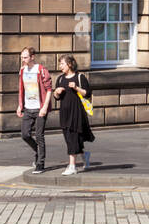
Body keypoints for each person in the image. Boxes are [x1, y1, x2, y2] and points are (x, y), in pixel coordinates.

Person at [52, 54, 94, 176]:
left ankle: (72, 166)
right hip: (64, 113)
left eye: (62, 64)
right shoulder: (60, 79)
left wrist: (76, 88)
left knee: (73, 138)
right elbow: (57, 97)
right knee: (68, 138)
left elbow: (87, 93)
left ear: (69, 64)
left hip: (77, 112)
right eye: (60, 64)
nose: (60, 66)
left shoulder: (80, 77)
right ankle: (84, 155)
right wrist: (57, 93)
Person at [17, 46, 52, 174]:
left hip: (39, 108)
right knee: (25, 135)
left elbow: (49, 89)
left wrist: (44, 107)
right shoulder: (22, 70)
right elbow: (22, 89)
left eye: (25, 57)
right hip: (28, 108)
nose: (23, 59)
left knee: (39, 136)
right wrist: (20, 105)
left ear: (32, 57)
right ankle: (37, 150)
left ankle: (40, 163)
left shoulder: (41, 70)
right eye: (22, 57)